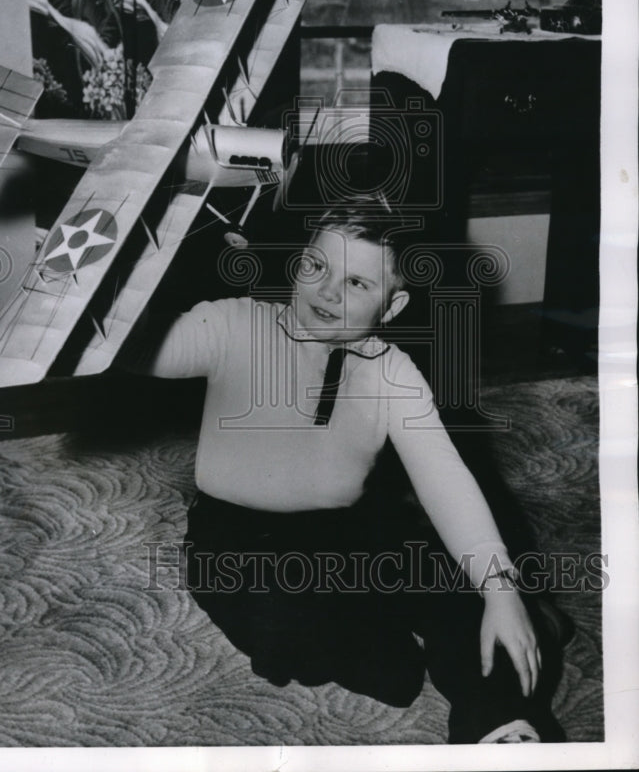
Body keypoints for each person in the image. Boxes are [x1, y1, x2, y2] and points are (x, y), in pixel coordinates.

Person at [130, 199, 561, 744]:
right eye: (316, 266)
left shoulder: (392, 371)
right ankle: (383, 640)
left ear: (392, 305)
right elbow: (142, 350)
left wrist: (499, 594)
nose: (327, 291)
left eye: (357, 283)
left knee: (467, 587)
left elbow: (444, 479)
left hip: (350, 528)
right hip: (236, 537)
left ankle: (497, 720)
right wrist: (125, 278)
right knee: (317, 635)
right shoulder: (234, 323)